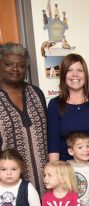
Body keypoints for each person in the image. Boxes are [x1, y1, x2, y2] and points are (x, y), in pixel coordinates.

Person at [47, 53, 89, 182]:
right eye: (70, 70)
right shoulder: (54, 105)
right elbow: (53, 141)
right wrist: (54, 172)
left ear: (85, 75)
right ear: (63, 76)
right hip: (66, 172)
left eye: (79, 70)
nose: (75, 75)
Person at [0, 43, 47, 195]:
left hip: (47, 180)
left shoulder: (37, 94)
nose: (15, 69)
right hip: (10, 185)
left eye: (21, 65)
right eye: (9, 64)